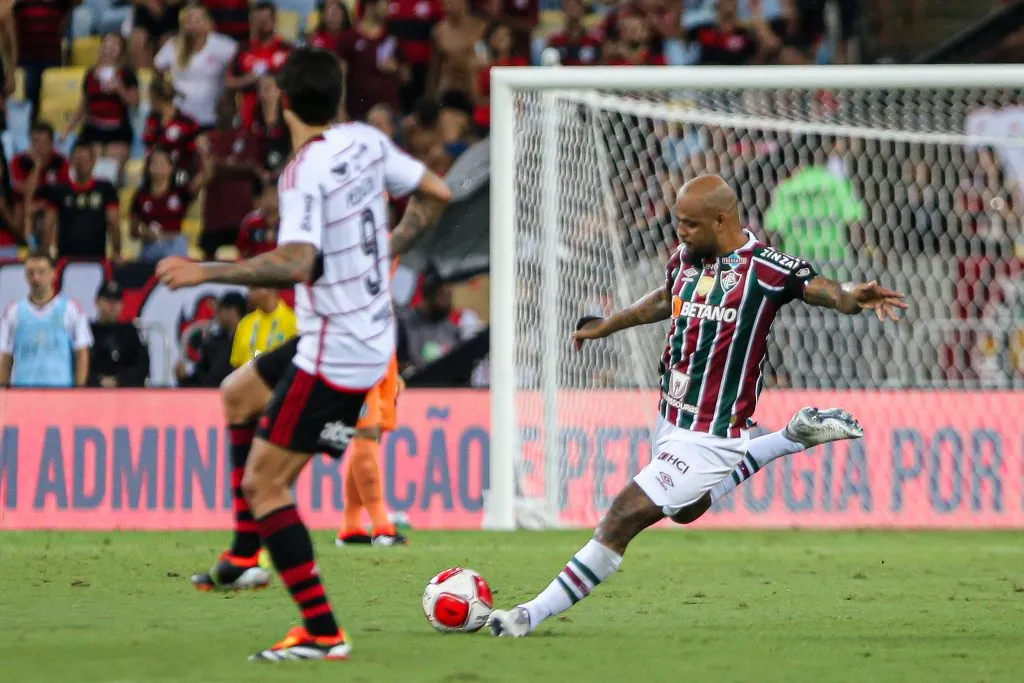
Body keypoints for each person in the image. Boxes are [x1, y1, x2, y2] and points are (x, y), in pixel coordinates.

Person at [486, 174, 908, 638]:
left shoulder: (769, 269)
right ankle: (791, 437)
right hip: (670, 419)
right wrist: (608, 325)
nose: (680, 231)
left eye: (688, 224)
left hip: (713, 435)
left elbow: (827, 290)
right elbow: (666, 300)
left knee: (622, 516)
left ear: (721, 219)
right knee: (684, 511)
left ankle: (528, 614)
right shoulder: (687, 259)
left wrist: (852, 298)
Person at [156, 47, 452, 661]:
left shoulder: (302, 173)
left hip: (339, 351)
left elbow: (296, 262)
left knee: (266, 486)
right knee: (237, 394)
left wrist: (204, 269)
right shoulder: (366, 143)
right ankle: (242, 558)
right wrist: (389, 245)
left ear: (282, 103)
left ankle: (322, 632)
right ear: (339, 95)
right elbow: (437, 191)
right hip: (359, 333)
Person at [0, 252, 92, 387]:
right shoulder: (13, 312)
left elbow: (82, 352)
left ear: (53, 274)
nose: (36, 278)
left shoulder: (71, 309)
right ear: (25, 276)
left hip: (61, 393)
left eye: (41, 272)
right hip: (23, 392)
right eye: (31, 273)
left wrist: (79, 390)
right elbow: (5, 355)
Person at [154, 5, 238, 128]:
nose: (195, 23)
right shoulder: (173, 45)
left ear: (209, 22)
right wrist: (168, 90)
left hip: (212, 116)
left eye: (199, 19)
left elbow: (240, 62)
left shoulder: (223, 45)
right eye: (190, 19)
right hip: (180, 116)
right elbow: (157, 68)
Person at [63, 33, 140, 169]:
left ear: (121, 50)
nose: (110, 48)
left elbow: (134, 103)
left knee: (111, 166)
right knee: (85, 161)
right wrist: (68, 129)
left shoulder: (127, 74)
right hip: (93, 130)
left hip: (118, 131)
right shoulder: (90, 74)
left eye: (115, 44)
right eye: (107, 43)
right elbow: (84, 105)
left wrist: (119, 88)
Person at [42, 141, 121, 260]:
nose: (82, 163)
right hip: (66, 259)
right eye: (78, 159)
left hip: (96, 259)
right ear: (71, 161)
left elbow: (113, 222)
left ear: (94, 161)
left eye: (85, 159)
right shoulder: (60, 191)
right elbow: (48, 224)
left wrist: (117, 250)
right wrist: (45, 251)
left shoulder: (105, 189)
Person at [131, 146, 210, 261]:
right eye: (154, 162)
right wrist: (146, 232)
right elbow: (133, 231)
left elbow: (205, 176)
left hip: (174, 245)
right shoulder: (140, 196)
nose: (158, 166)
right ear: (148, 167)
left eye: (163, 162)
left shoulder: (180, 192)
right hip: (150, 245)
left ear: (171, 167)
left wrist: (203, 151)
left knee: (178, 247)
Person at [226, 2, 292, 129]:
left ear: (274, 20)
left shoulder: (287, 49)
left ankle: (273, 130)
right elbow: (230, 82)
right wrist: (248, 79)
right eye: (258, 19)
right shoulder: (243, 49)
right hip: (248, 111)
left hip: (281, 111)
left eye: (266, 19)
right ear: (251, 22)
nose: (262, 23)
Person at [338, 0, 401, 123]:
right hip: (358, 113)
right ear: (371, 5)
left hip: (389, 114)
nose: (388, 8)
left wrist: (396, 68)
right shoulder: (348, 38)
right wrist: (341, 108)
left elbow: (405, 75)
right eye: (385, 3)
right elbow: (341, 76)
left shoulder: (392, 36)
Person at [177, 291, 245, 387]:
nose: (216, 315)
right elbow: (200, 379)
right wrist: (183, 378)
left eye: (220, 310)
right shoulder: (212, 343)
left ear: (233, 311)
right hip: (212, 397)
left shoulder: (251, 339)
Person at [88, 280, 150, 387]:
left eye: (116, 301)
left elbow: (142, 365)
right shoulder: (88, 331)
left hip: (126, 392)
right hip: (94, 392)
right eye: (108, 301)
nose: (112, 306)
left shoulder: (130, 331)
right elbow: (80, 364)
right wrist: (98, 381)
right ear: (97, 301)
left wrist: (119, 380)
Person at [142, 76, 202, 184]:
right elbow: (148, 145)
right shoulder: (152, 120)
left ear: (156, 98)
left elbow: (193, 153)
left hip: (181, 175)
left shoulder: (187, 123)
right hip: (155, 175)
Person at [229, 287, 296, 369]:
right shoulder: (245, 323)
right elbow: (236, 364)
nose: (248, 293)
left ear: (269, 288)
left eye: (253, 288)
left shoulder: (293, 322)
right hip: (247, 379)